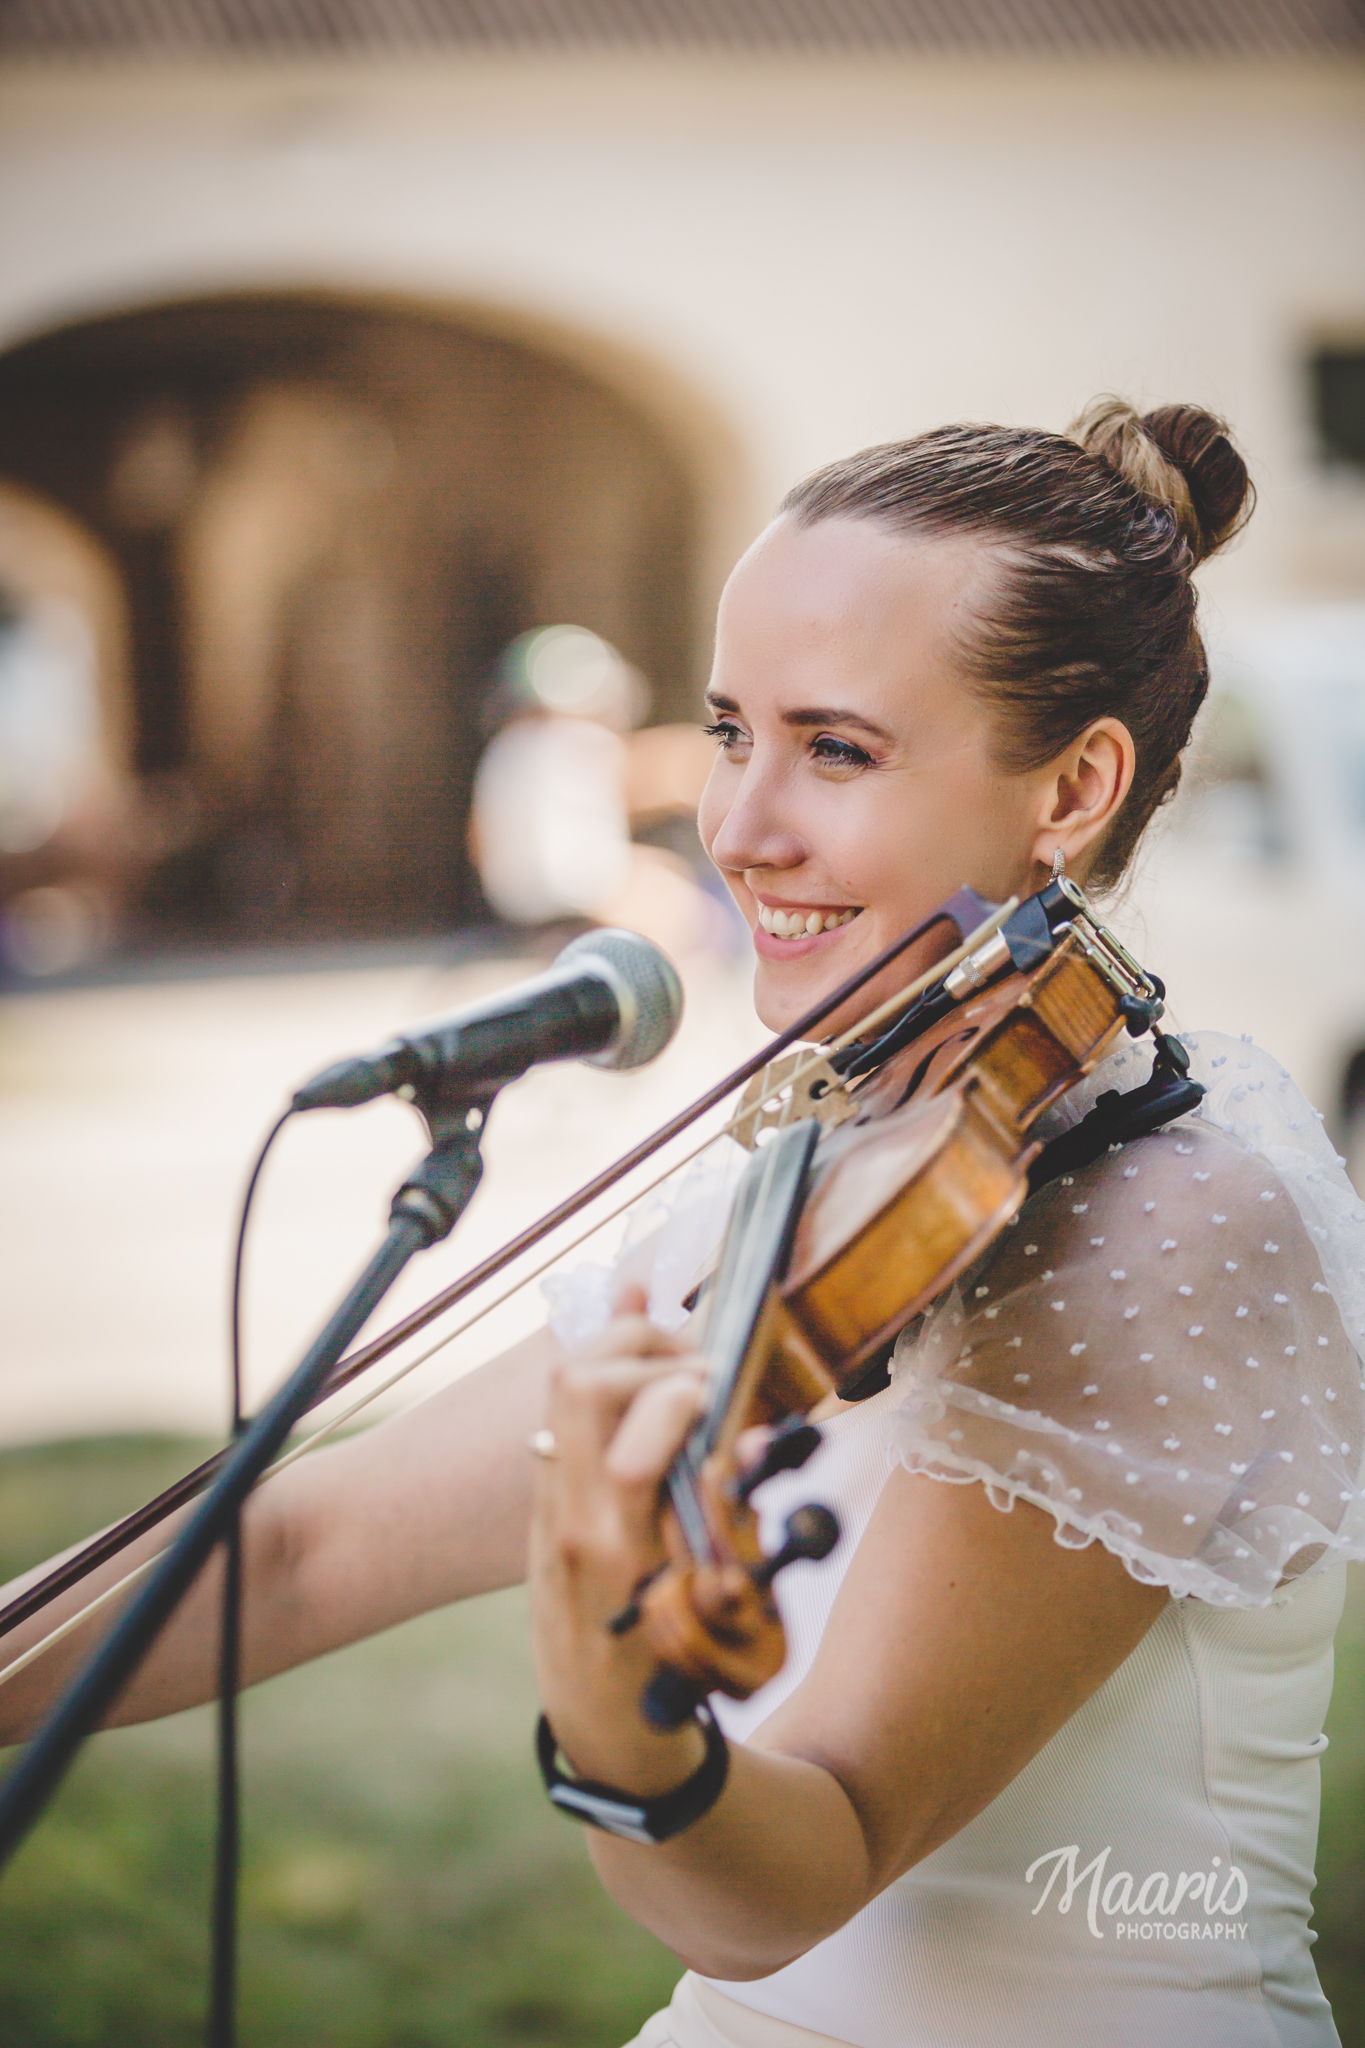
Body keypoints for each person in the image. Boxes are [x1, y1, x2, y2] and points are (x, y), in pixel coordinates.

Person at [4, 399, 1361, 2048]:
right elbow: (301, 1547)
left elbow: (800, 1875)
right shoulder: (845, 1155)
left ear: (1075, 785)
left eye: (837, 749)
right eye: (731, 732)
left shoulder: (1163, 1211)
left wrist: (619, 1723)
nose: (737, 827)